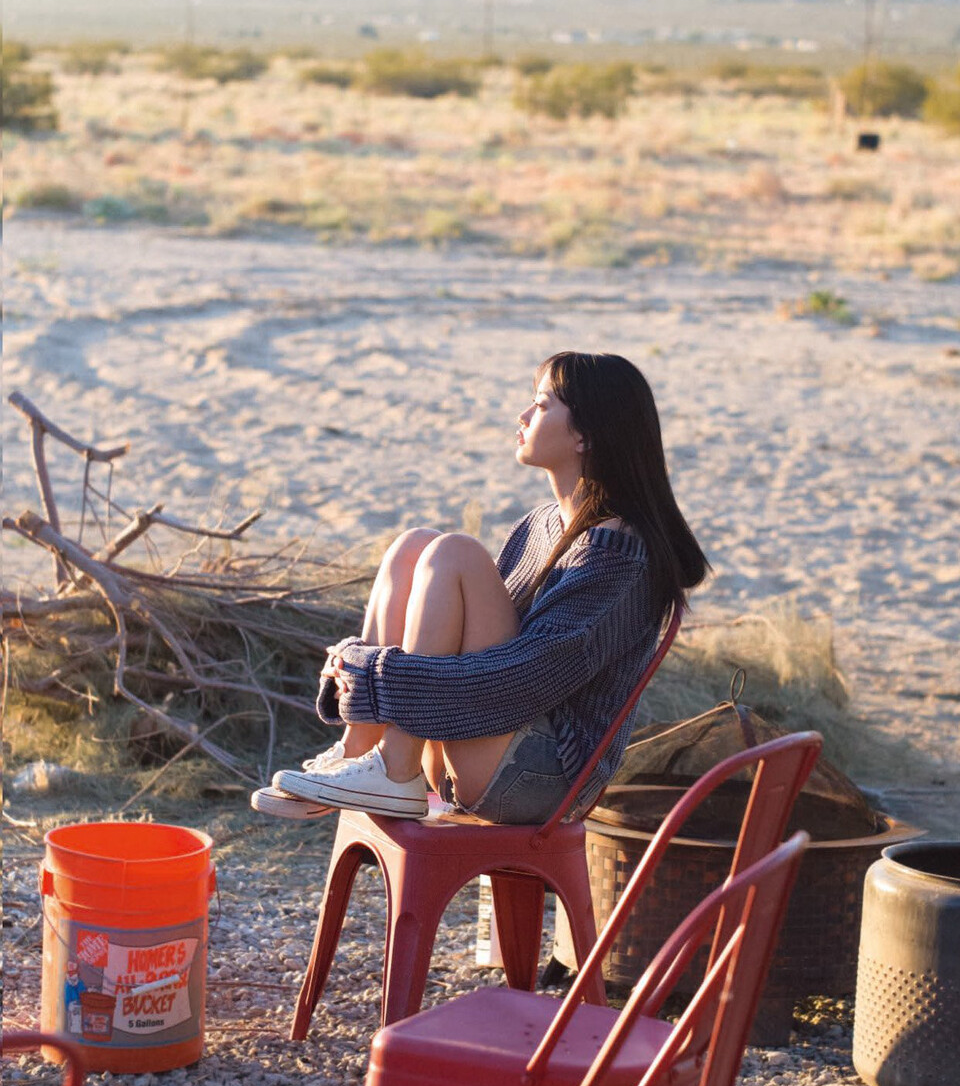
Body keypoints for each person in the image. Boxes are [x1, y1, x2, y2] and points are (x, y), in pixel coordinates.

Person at [252, 351, 709, 825]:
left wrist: (371, 675)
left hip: (542, 779)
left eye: (543, 404)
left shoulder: (616, 556)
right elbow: (474, 641)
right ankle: (359, 750)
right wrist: (373, 680)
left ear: (585, 435)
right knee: (415, 546)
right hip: (483, 748)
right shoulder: (541, 525)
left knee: (456, 553)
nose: (524, 415)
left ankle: (393, 769)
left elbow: (521, 680)